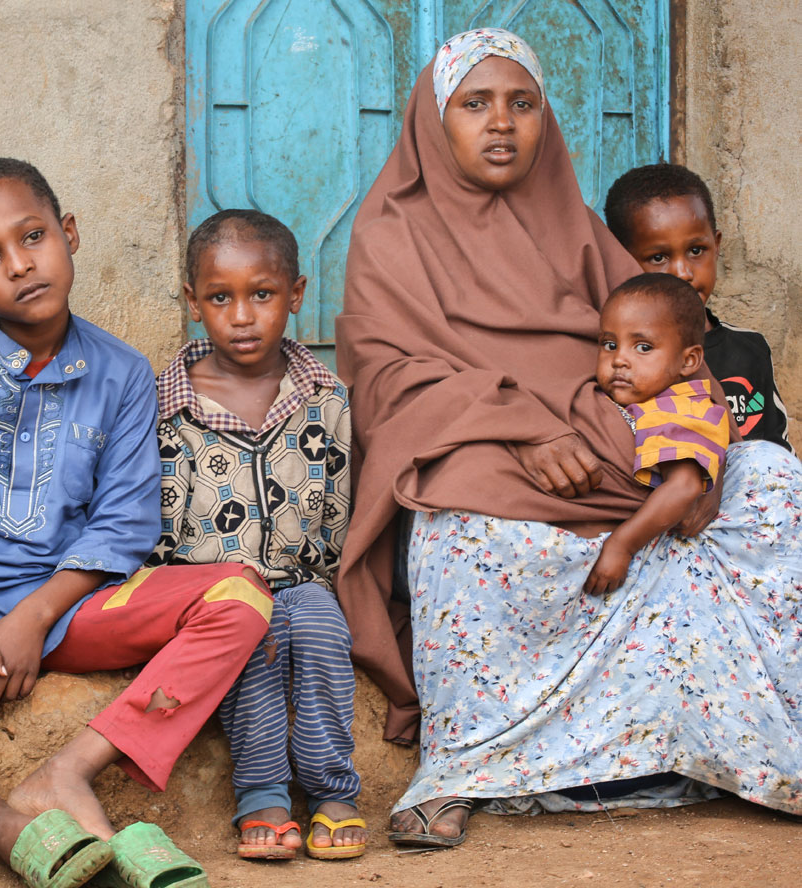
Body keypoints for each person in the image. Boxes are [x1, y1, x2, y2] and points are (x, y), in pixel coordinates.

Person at [333, 27, 802, 851]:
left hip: (605, 441)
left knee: (767, 477)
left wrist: (688, 451)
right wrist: (519, 425)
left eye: (522, 102)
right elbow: (385, 377)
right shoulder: (390, 234)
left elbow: (662, 353)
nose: (501, 123)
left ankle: (709, 742)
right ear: (435, 121)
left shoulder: (579, 227)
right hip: (480, 444)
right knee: (454, 520)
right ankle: (464, 766)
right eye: (474, 104)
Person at [0, 157, 272, 888]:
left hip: (68, 613)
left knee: (239, 596)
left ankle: (67, 775)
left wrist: (36, 615)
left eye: (32, 236)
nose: (19, 265)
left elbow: (123, 524)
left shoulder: (122, 372)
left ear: (68, 234)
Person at [149, 209, 365, 862]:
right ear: (193, 302)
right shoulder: (169, 407)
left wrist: (323, 580)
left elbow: (337, 506)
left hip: (299, 581)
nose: (241, 316)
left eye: (262, 295)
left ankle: (331, 788)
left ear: (295, 295)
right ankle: (263, 792)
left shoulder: (326, 399)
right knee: (254, 632)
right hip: (209, 592)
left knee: (321, 626)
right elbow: (157, 525)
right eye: (220, 297)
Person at [605, 162, 790, 449]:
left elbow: (775, 456)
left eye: (695, 251)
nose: (682, 273)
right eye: (658, 257)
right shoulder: (616, 360)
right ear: (619, 258)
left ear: (716, 246)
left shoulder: (750, 351)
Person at [584, 274, 731, 596]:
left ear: (688, 360)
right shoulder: (646, 399)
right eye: (609, 344)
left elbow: (684, 486)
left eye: (643, 347)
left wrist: (622, 546)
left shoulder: (680, 409)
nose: (619, 359)